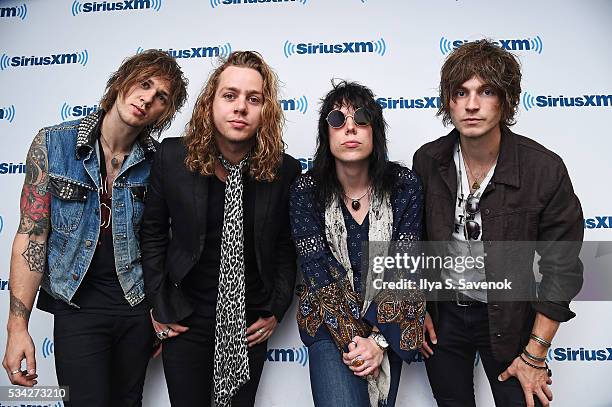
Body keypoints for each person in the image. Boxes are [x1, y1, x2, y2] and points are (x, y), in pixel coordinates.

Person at [2, 50, 188, 406]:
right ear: (121, 81)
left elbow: (167, 241)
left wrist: (162, 309)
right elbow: (32, 235)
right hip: (77, 308)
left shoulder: (159, 162)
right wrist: (17, 328)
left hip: (136, 308)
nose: (147, 98)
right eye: (144, 83)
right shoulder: (54, 144)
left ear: (165, 112)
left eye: (161, 97)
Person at [412, 39, 584, 407]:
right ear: (448, 102)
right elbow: (416, 241)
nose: (471, 104)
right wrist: (419, 306)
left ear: (506, 100)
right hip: (444, 323)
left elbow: (563, 267)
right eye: (461, 92)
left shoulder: (543, 169)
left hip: (511, 322)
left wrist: (535, 353)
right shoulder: (428, 160)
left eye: (486, 91)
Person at [140, 50, 301, 407]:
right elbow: (152, 233)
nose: (240, 107)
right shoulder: (172, 158)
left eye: (253, 98)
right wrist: (160, 305)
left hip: (248, 325)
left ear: (266, 110)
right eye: (230, 95)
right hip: (185, 318)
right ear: (211, 103)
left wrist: (275, 307)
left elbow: (286, 246)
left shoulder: (284, 171)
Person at [290, 80, 425, 407]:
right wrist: (359, 345)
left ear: (375, 132)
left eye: (361, 119)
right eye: (337, 120)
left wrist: (378, 343)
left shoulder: (404, 186)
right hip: (327, 321)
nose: (349, 127)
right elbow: (319, 272)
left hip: (389, 325)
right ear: (327, 135)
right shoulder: (305, 190)